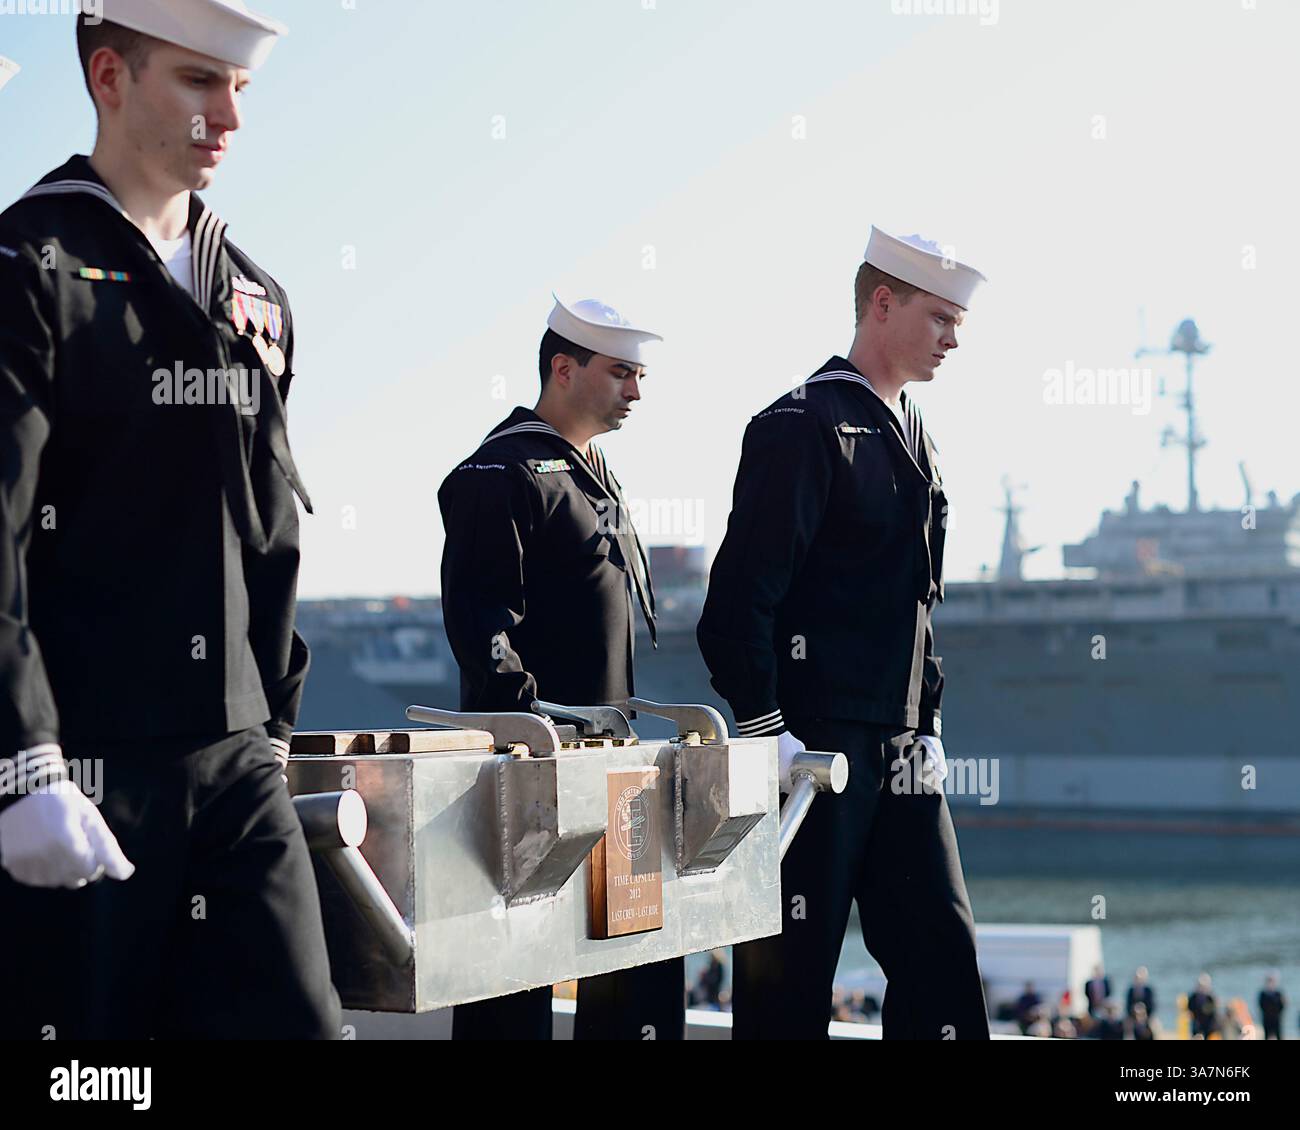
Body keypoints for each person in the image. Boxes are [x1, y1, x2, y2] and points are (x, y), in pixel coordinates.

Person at [0, 0, 339, 1039]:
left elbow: (271, 523)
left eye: (239, 87)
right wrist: (23, 758)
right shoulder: (29, 268)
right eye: (199, 81)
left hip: (238, 757)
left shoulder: (256, 296)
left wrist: (276, 719)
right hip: (88, 761)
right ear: (109, 78)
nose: (228, 115)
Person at [697, 227, 990, 1039]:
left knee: (943, 965)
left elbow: (919, 603)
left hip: (899, 750)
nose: (954, 339)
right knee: (788, 983)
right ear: (882, 303)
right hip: (812, 749)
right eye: (940, 317)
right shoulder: (802, 423)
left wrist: (926, 720)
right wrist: (768, 730)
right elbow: (735, 605)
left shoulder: (916, 433)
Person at [438, 295, 684, 1040]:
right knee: (511, 983)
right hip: (535, 771)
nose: (636, 391)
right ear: (563, 368)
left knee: (639, 964)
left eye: (640, 375)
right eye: (621, 373)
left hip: (614, 768)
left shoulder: (592, 470)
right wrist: (535, 726)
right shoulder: (500, 470)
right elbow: (483, 628)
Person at [1258, 973, 1285, 1040]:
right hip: (1267, 1019)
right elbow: (1261, 1005)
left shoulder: (1278, 993)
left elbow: (1282, 1006)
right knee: (1266, 1036)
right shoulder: (1263, 994)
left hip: (1276, 1019)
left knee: (1279, 1035)